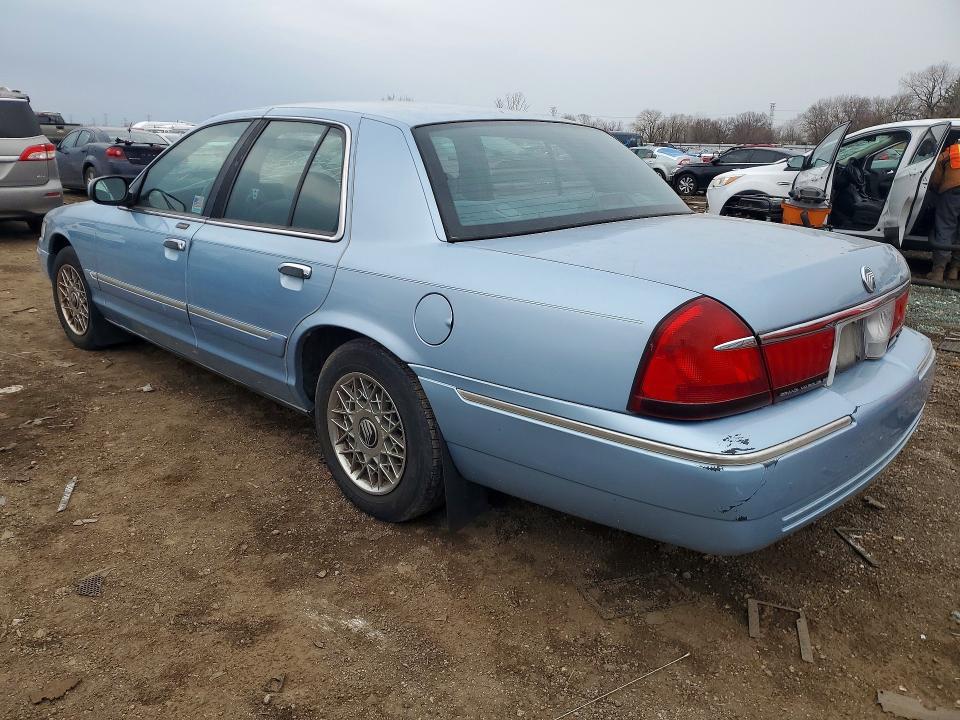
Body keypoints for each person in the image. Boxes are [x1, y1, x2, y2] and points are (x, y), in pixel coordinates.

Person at [927, 139, 960, 283]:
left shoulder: (950, 152)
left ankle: (938, 272)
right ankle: (954, 269)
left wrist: (935, 189)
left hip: (951, 192)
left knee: (945, 227)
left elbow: (935, 179)